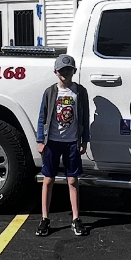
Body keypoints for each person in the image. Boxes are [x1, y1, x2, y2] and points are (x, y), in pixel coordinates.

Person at [35, 54, 91, 236]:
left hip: (72, 142)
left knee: (73, 180)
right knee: (48, 180)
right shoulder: (50, 92)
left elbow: (85, 117)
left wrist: (84, 140)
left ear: (73, 71)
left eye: (69, 70)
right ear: (56, 72)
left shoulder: (80, 92)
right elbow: (42, 116)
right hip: (52, 142)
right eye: (62, 70)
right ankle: (44, 218)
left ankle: (76, 218)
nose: (65, 73)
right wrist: (40, 140)